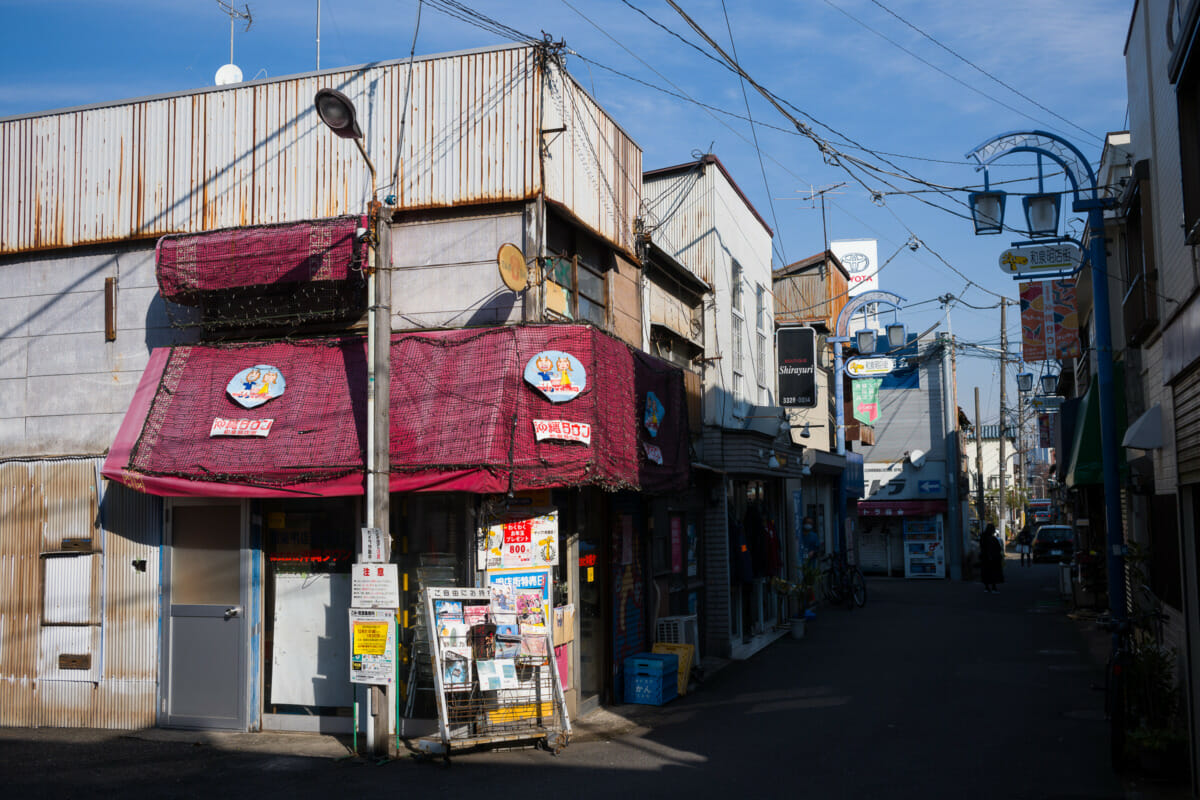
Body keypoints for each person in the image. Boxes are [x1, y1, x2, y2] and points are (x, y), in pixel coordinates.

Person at [980, 523, 1004, 593]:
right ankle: (993, 588)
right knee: (993, 573)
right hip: (993, 559)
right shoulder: (993, 539)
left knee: (986, 573)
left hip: (985, 558)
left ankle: (986, 587)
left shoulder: (983, 537)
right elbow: (998, 549)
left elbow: (982, 547)